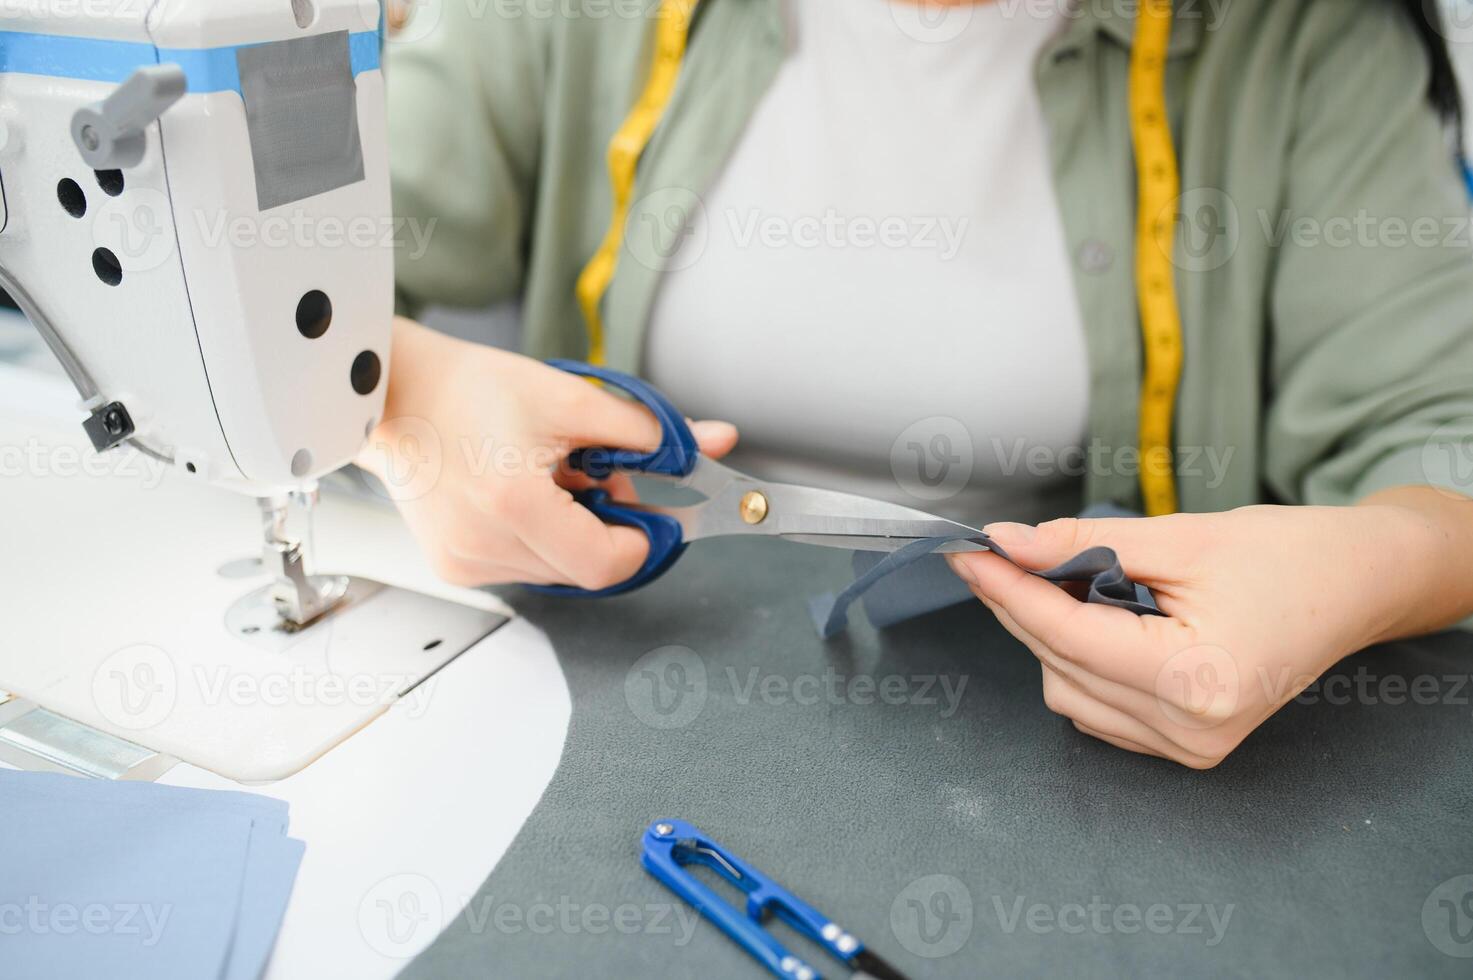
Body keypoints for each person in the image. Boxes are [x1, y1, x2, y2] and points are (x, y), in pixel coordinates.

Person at [364, 0, 1473, 767]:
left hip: (1038, 757)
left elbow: (1444, 439)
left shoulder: (1308, 43)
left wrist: (1377, 563)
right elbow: (252, 269)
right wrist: (403, 393)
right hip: (609, 683)